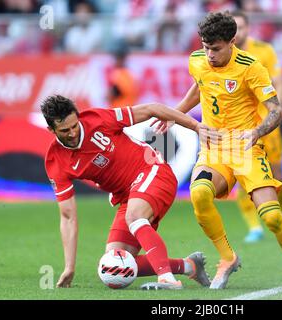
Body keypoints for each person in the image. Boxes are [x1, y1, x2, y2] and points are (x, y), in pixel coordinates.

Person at [152, 12, 282, 290]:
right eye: (205, 46)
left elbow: (276, 110)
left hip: (247, 149)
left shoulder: (252, 67)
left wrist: (258, 131)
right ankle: (228, 258)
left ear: (232, 41)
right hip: (214, 150)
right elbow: (200, 88)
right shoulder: (197, 60)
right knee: (199, 193)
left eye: (215, 48)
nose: (209, 54)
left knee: (272, 217)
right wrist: (173, 114)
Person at [42, 95, 215, 290]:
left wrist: (196, 126)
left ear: (78, 117)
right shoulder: (55, 161)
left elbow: (151, 108)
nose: (73, 133)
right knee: (112, 266)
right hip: (128, 196)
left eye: (75, 125)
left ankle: (167, 279)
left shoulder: (97, 119)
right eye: (65, 130)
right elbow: (67, 217)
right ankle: (188, 266)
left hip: (153, 170)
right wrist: (69, 267)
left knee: (134, 216)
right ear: (51, 130)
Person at [232, 10, 282, 243]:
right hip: (242, 125)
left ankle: (281, 214)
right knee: (245, 175)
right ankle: (254, 226)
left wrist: (278, 111)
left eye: (241, 28)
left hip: (268, 123)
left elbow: (278, 83)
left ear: (248, 28)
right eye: (233, 28)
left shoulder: (264, 51)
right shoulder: (225, 54)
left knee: (277, 174)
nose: (237, 33)